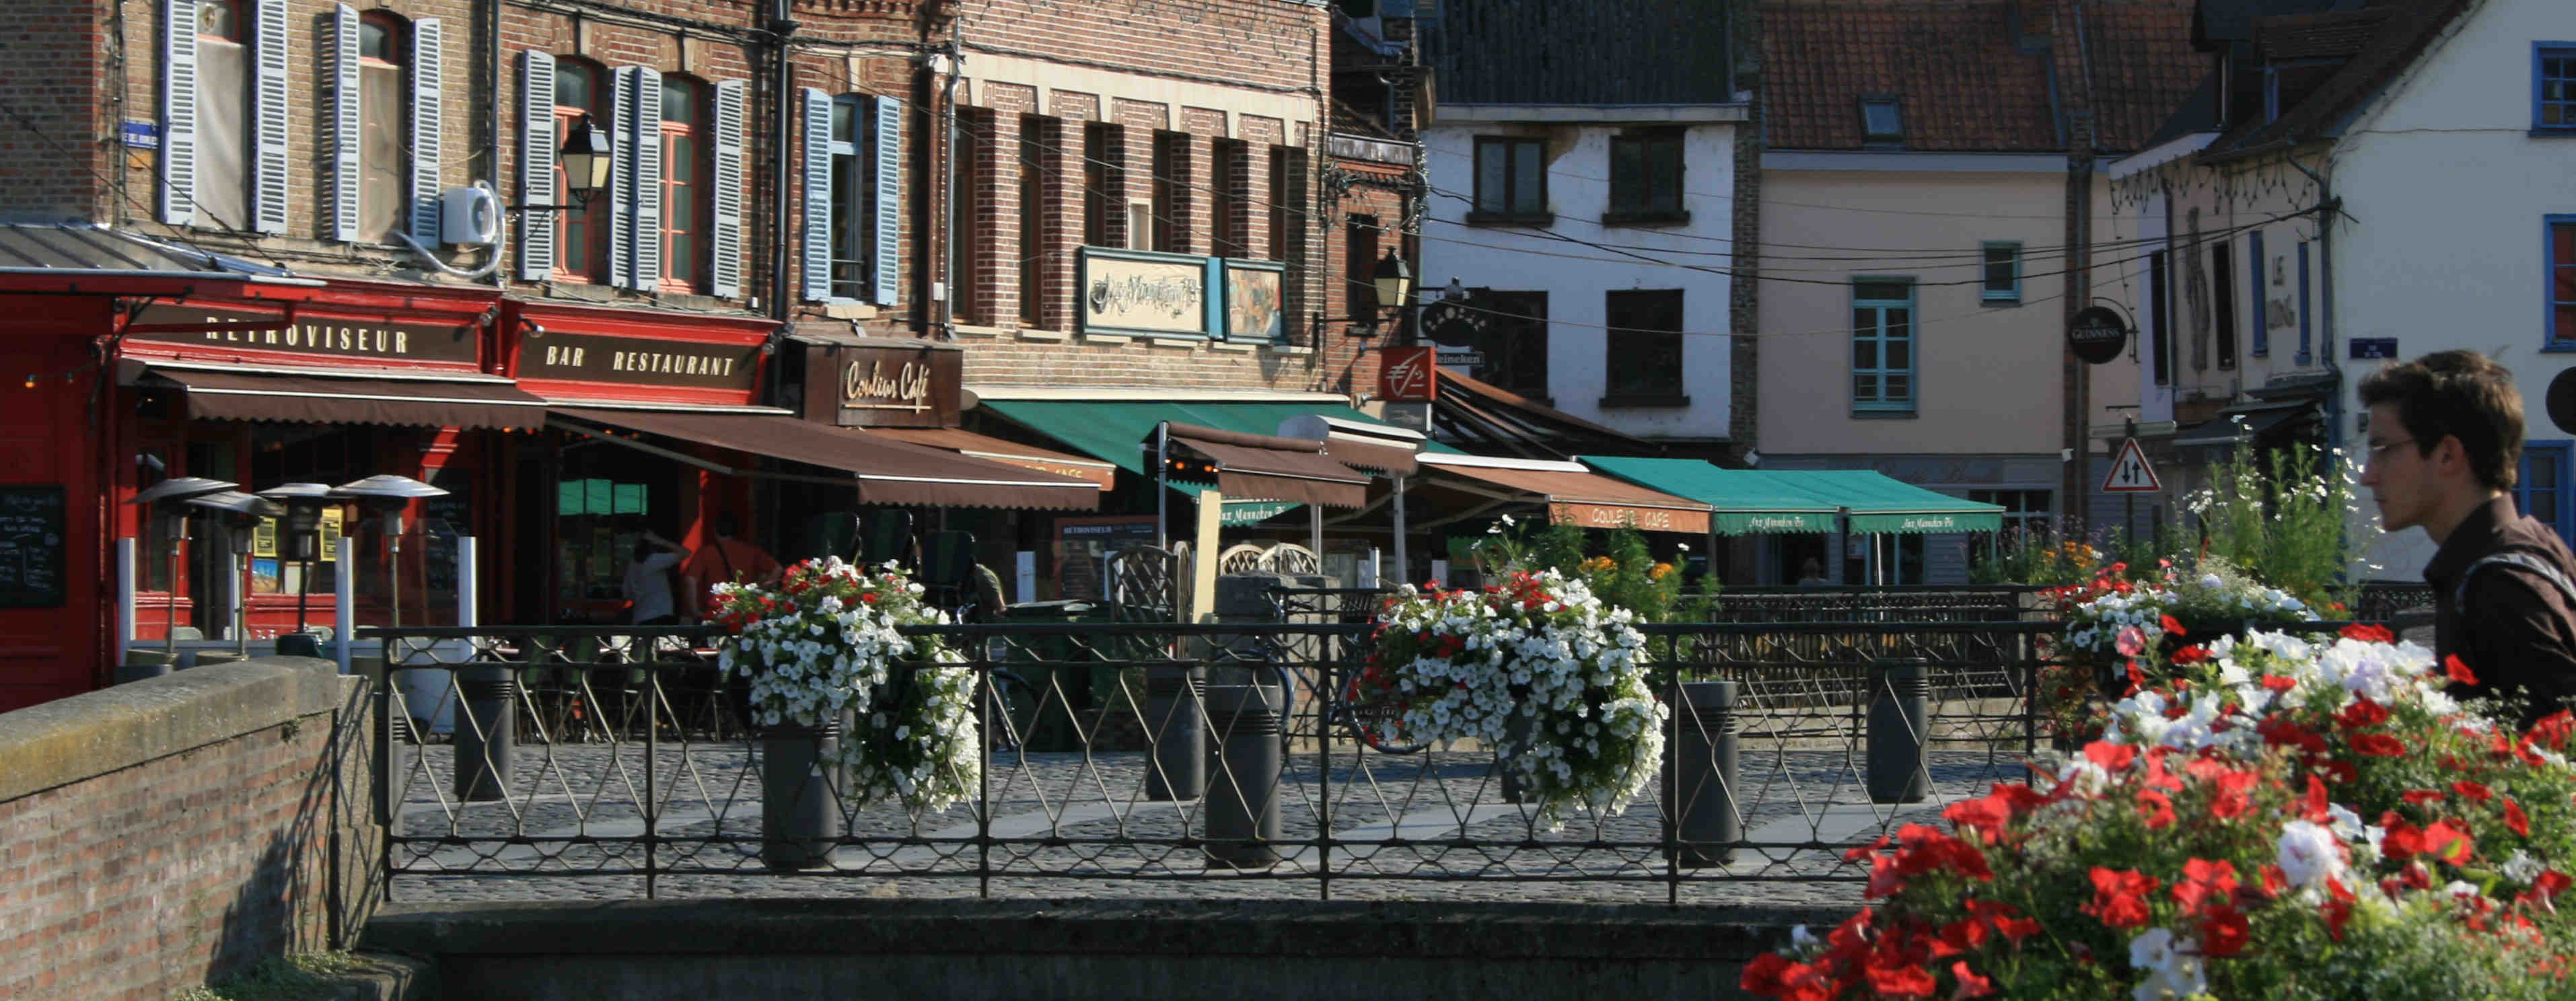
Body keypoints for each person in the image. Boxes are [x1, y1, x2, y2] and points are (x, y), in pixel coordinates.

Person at [2358, 350, 2576, 728]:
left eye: (2383, 449)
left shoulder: (2501, 585)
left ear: (2447, 455)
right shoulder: (2532, 544)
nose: (2368, 474)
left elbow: (2558, 756)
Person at [681, 513, 783, 620]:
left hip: (716, 609)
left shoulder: (706, 552)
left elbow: (690, 580)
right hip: (744, 608)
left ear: (715, 531)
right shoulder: (751, 551)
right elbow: (777, 569)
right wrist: (760, 592)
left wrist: (695, 611)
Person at [622, 531, 690, 626]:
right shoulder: (654, 560)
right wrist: (660, 541)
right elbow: (686, 553)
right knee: (691, 625)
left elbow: (627, 594)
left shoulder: (632, 565)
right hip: (660, 617)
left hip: (640, 619)